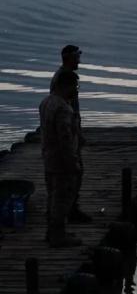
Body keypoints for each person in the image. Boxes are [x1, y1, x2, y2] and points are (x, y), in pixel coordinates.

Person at [39, 71, 83, 247]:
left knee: (52, 196)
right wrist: (73, 162)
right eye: (75, 86)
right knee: (62, 199)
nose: (76, 90)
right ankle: (58, 237)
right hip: (61, 161)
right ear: (67, 86)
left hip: (48, 158)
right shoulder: (63, 108)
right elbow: (64, 139)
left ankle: (52, 232)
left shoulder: (46, 102)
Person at [50, 44, 91, 223]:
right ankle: (69, 211)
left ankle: (70, 208)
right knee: (73, 173)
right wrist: (74, 135)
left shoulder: (67, 77)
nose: (79, 61)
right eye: (77, 57)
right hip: (66, 134)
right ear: (69, 58)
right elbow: (61, 112)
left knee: (76, 173)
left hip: (72, 130)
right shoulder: (61, 79)